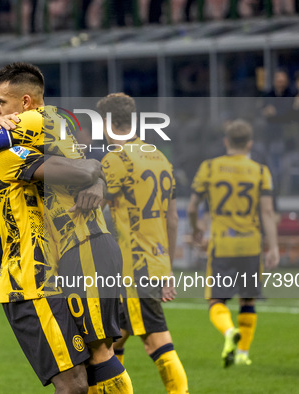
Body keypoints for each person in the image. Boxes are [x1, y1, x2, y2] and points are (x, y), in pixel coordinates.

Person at [0, 63, 133, 393]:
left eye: (2, 103)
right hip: (29, 282)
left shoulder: (19, 145)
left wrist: (96, 180)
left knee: (95, 362)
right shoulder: (9, 153)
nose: (2, 112)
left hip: (58, 269)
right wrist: (94, 171)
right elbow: (78, 170)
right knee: (74, 384)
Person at [97, 93, 189, 393]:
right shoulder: (160, 157)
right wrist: (166, 268)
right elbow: (172, 219)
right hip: (153, 262)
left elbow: (94, 209)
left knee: (156, 340)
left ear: (108, 123)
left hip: (133, 266)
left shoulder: (116, 160)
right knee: (111, 340)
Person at [187, 120, 279, 367]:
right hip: (251, 245)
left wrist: (197, 228)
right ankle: (242, 354)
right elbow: (268, 212)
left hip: (223, 244)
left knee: (216, 300)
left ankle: (229, 332)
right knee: (248, 300)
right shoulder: (260, 171)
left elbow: (193, 206)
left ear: (226, 141)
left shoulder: (210, 167)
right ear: (250, 144)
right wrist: (274, 247)